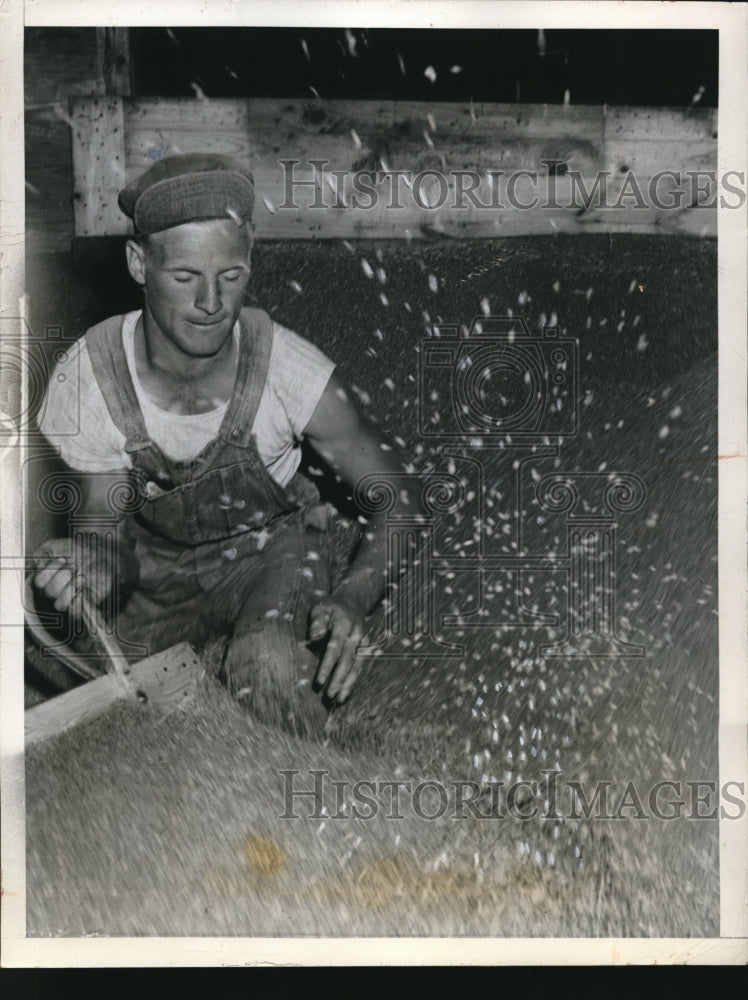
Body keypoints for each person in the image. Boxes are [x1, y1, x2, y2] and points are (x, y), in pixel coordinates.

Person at [33, 153, 412, 736]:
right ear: (139, 263)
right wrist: (95, 563)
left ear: (249, 259)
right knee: (92, 700)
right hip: (156, 563)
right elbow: (106, 536)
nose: (211, 302)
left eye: (230, 275)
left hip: (274, 551)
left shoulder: (290, 371)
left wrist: (354, 598)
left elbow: (400, 498)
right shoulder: (90, 380)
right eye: (185, 277)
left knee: (267, 665)